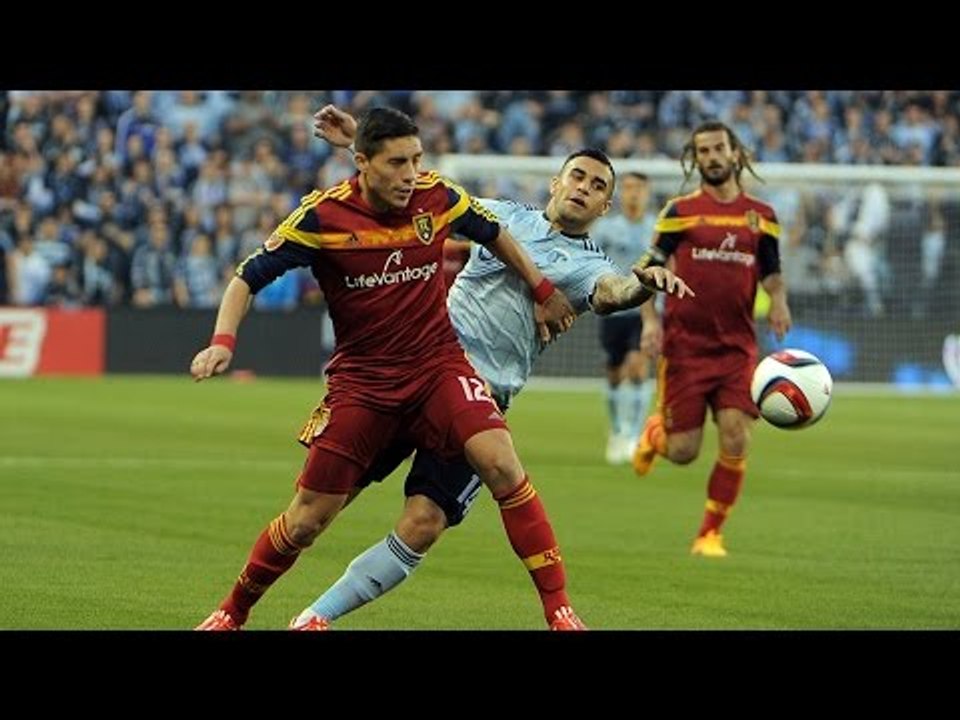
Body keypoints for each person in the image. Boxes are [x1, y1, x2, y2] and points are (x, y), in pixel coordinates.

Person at [287, 106, 693, 630]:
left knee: (424, 524)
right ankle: (240, 602)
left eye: (597, 186)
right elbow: (422, 193)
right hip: (413, 375)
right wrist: (353, 147)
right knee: (315, 512)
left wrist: (644, 283)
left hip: (479, 403)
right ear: (556, 181)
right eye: (578, 176)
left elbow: (613, 293)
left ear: (605, 205)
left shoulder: (592, 264)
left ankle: (315, 618)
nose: (584, 188)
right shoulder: (502, 216)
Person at [192, 106, 586, 631]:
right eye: (398, 162)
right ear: (361, 163)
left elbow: (494, 233)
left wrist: (541, 289)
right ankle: (231, 613)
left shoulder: (437, 196)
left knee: (502, 464)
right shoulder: (321, 218)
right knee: (308, 519)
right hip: (364, 384)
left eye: (416, 160)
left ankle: (559, 612)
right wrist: (223, 342)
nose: (410, 174)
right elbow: (246, 277)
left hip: (437, 367)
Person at [631, 120, 792, 558]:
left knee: (737, 435)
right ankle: (653, 434)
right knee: (683, 451)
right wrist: (649, 322)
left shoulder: (763, 216)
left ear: (735, 152)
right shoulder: (679, 211)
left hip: (737, 348)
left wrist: (779, 301)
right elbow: (647, 270)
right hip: (685, 347)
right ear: (694, 158)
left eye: (719, 148)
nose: (712, 157)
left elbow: (772, 272)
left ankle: (709, 534)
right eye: (703, 151)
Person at [590, 172, 658, 464]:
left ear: (647, 193)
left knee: (637, 367)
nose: (633, 194)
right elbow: (590, 260)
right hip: (613, 310)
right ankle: (617, 430)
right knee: (615, 373)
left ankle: (633, 435)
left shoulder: (657, 229)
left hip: (645, 311)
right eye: (628, 188)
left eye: (639, 189)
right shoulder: (606, 229)